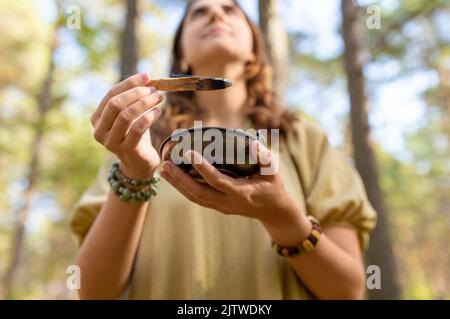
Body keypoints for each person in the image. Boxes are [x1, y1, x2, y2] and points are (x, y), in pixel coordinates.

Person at [70, 0, 377, 300]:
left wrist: (281, 216)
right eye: (199, 12)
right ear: (182, 57)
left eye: (229, 9)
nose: (215, 14)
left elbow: (347, 291)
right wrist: (134, 174)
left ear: (254, 52)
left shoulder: (304, 140)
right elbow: (94, 292)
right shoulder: (137, 142)